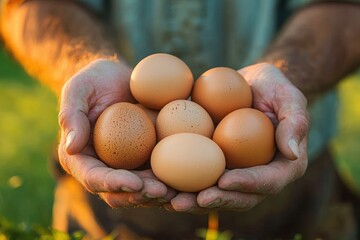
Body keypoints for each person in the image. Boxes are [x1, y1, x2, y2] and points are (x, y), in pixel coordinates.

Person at [1, 0, 360, 239]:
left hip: (291, 196)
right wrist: (84, 64)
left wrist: (289, 73)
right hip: (108, 204)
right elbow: (23, 6)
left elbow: (346, 10)